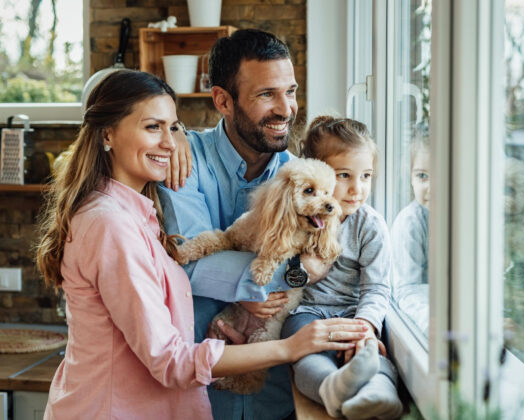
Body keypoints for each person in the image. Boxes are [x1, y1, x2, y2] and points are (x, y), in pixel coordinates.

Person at [35, 70, 368, 420]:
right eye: (153, 127)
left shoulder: (138, 212)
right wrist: (289, 347)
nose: (169, 142)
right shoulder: (110, 224)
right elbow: (170, 360)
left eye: (173, 127)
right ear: (107, 134)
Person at [158, 29, 328, 420]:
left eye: (291, 91)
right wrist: (293, 273)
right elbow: (190, 262)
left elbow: (329, 255)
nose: (286, 108)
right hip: (201, 398)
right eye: (267, 94)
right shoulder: (186, 162)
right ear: (223, 100)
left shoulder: (300, 178)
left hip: (278, 400)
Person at [280, 116, 404, 420]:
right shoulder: (301, 218)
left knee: (373, 353)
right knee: (306, 358)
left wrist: (365, 326)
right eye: (344, 175)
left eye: (366, 176)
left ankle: (379, 393)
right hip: (306, 313)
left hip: (352, 314)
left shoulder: (370, 226)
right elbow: (281, 266)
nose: (356, 189)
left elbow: (376, 287)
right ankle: (330, 387)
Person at [390, 126, 430, 335]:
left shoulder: (464, 219)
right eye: (422, 176)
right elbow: (407, 290)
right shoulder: (410, 222)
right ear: (411, 178)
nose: (432, 187)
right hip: (428, 319)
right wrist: (432, 324)